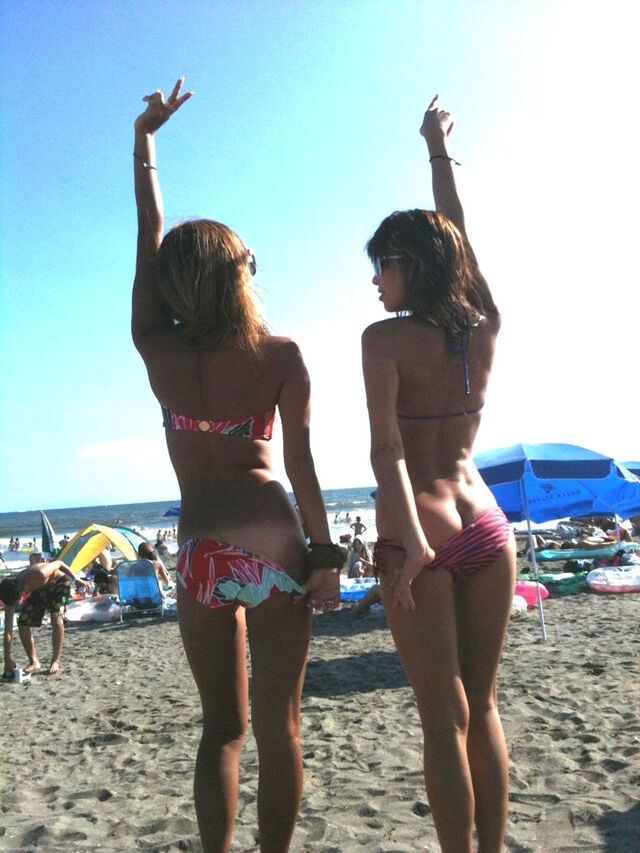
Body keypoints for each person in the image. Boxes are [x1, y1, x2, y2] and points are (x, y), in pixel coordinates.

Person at [131, 78, 343, 852]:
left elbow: (149, 231)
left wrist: (144, 142)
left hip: (199, 550)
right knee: (281, 729)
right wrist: (327, 558)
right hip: (275, 542)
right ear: (237, 276)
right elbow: (303, 465)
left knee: (221, 729)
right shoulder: (280, 353)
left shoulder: (156, 348)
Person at [361, 95, 516, 853]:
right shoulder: (482, 326)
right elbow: (461, 237)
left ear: (411, 266)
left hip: (418, 531)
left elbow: (386, 453)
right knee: (482, 708)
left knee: (441, 720)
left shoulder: (383, 340)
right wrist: (437, 149)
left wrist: (417, 547)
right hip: (486, 521)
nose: (374, 282)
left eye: (381, 265)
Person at [0, 553, 91, 676]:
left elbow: (59, 563)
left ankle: (55, 661)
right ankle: (34, 661)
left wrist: (76, 579)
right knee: (23, 621)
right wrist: (7, 658)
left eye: (16, 603)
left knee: (56, 618)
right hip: (40, 589)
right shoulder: (10, 593)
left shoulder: (39, 573)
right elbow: (8, 631)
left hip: (59, 583)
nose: (15, 606)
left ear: (22, 594)